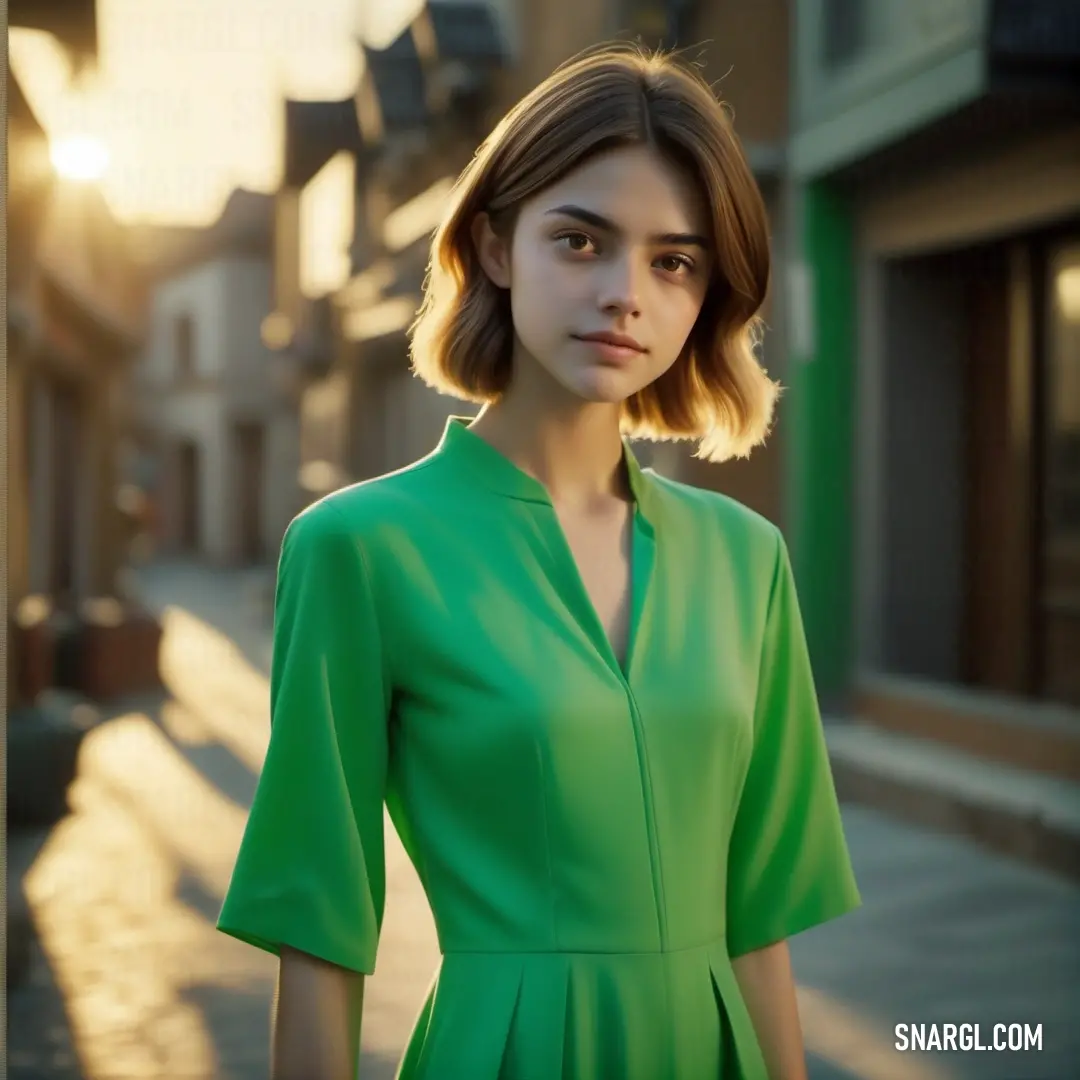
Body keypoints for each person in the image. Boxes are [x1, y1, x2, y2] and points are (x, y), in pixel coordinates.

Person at [217, 42, 862, 1080]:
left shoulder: (750, 560)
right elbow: (318, 933)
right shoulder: (358, 549)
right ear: (498, 247)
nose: (627, 295)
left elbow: (761, 929)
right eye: (581, 241)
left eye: (675, 261)